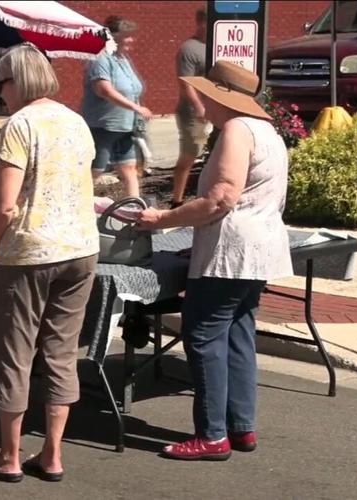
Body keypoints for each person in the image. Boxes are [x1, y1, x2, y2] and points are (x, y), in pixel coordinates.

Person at [136, 61, 293, 461]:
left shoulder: (237, 130)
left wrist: (163, 219)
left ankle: (211, 435)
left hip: (232, 251)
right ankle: (241, 427)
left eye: (205, 91)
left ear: (220, 95)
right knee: (238, 333)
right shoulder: (266, 130)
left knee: (204, 336)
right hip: (258, 248)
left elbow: (221, 197)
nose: (199, 97)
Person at [0, 43, 99, 483]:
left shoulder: (20, 124)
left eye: (2, 81)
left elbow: (3, 205)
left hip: (30, 250)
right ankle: (53, 454)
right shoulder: (76, 121)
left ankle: (8, 456)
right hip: (80, 247)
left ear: (17, 81)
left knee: (15, 354)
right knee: (61, 353)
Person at [80, 16, 152, 198]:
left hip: (125, 127)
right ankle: (75, 206)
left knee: (129, 168)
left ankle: (134, 208)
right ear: (113, 37)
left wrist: (137, 111)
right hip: (103, 126)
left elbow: (133, 89)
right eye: (127, 36)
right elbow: (104, 90)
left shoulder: (123, 60)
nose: (131, 40)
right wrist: (136, 108)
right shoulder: (100, 59)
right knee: (94, 170)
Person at [171, 7, 211, 208]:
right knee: (190, 154)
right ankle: (176, 201)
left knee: (214, 153)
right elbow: (186, 83)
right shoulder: (189, 49)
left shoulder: (216, 46)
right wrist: (199, 107)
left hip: (216, 110)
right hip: (193, 112)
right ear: (202, 22)